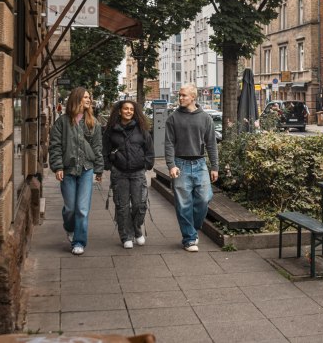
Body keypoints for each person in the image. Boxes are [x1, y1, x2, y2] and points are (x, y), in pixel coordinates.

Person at [49, 87, 103, 255]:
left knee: (82, 208)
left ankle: (79, 242)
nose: (89, 100)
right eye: (85, 97)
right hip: (67, 170)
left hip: (87, 168)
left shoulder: (94, 122)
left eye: (89, 97)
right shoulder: (62, 122)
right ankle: (69, 227)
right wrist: (57, 166)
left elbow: (97, 147)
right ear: (77, 99)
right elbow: (55, 146)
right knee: (70, 208)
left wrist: (99, 170)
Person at [165, 84, 219, 252]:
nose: (180, 98)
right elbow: (168, 144)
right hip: (180, 164)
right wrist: (171, 165)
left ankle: (193, 228)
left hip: (200, 164)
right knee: (183, 204)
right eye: (179, 95)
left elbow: (212, 144)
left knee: (205, 198)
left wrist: (215, 167)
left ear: (193, 98)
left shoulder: (205, 118)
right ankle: (189, 238)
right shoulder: (173, 118)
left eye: (183, 95)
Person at [103, 100, 154, 249]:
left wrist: (146, 164)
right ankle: (126, 235)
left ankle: (137, 229)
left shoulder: (142, 128)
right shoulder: (111, 129)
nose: (129, 111)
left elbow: (149, 150)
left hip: (138, 172)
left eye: (131, 109)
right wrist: (109, 166)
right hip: (119, 173)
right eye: (126, 109)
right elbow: (105, 149)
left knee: (140, 205)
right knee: (122, 206)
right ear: (120, 111)